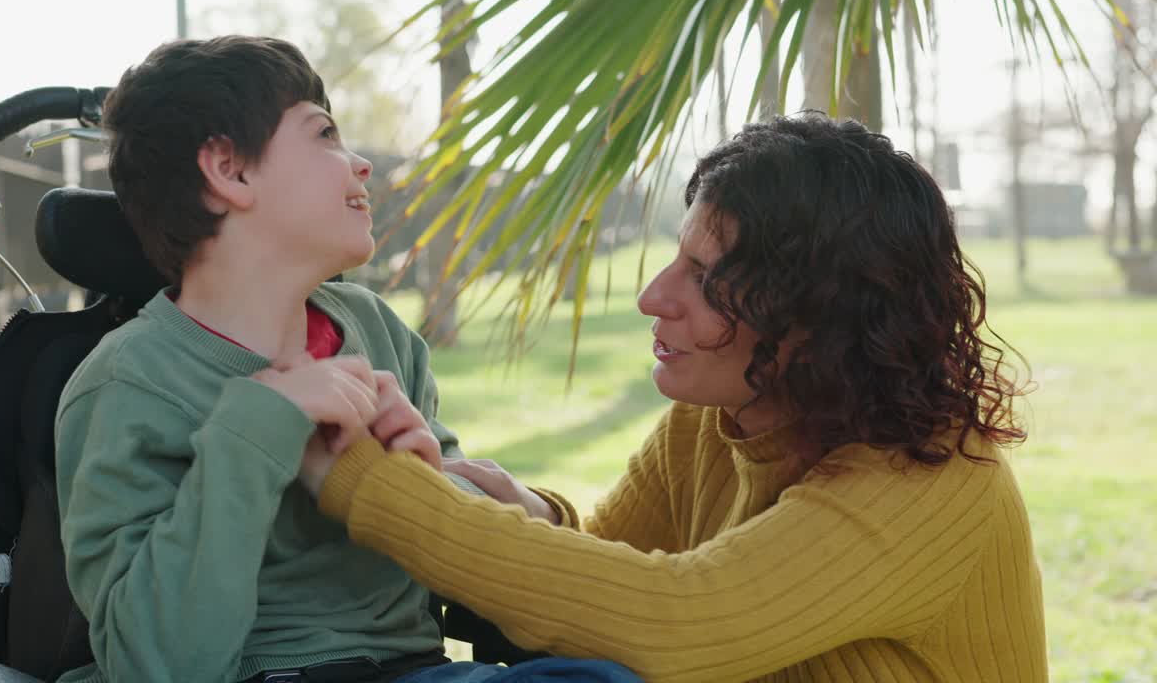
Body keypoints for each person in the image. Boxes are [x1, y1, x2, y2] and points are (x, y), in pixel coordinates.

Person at [300, 113, 1048, 682]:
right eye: (677, 257)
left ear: (818, 320)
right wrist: (519, 511)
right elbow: (611, 578)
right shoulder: (717, 419)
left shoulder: (931, 479)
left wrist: (362, 481)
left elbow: (675, 617)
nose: (655, 297)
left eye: (707, 278)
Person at [55, 35, 639, 683]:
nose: (360, 164)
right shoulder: (131, 384)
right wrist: (255, 431)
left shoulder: (377, 333)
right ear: (230, 169)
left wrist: (424, 483)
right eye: (325, 135)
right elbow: (157, 665)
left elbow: (468, 549)